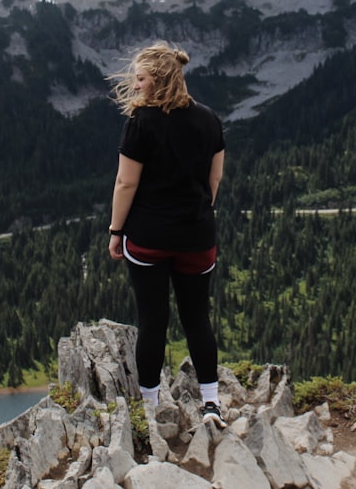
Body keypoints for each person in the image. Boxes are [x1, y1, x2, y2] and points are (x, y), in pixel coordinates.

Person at [106, 40, 227, 427]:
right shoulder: (209, 118)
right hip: (196, 237)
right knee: (197, 320)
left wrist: (115, 230)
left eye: (140, 78)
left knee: (153, 321)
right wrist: (198, 213)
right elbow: (216, 178)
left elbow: (126, 184)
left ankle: (150, 406)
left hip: (148, 238)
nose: (136, 85)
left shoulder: (140, 122)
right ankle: (211, 404)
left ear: (157, 80)